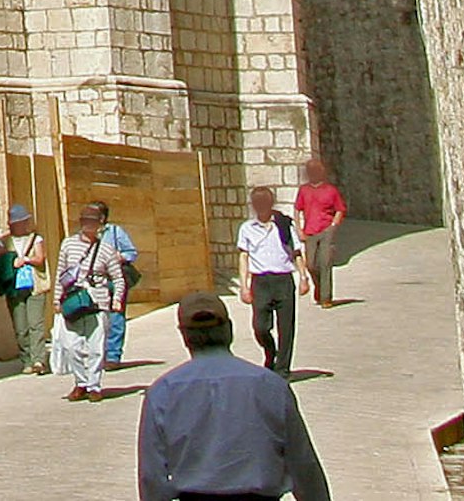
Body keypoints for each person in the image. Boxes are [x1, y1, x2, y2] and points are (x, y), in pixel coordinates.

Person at [137, 288, 331, 501]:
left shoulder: (163, 391)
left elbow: (152, 475)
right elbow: (302, 463)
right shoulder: (269, 385)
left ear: (184, 335)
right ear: (229, 329)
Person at [49, 206, 126, 399]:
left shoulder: (107, 250)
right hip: (73, 300)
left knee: (96, 346)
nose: (89, 225)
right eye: (86, 221)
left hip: (97, 302)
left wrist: (116, 300)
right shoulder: (68, 245)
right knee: (72, 346)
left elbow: (118, 278)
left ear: (100, 225)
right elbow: (61, 274)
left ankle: (94, 386)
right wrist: (57, 299)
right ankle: (80, 382)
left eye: (93, 222)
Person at [235, 184, 300, 374]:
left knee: (286, 328)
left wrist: (303, 276)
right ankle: (271, 353)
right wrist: (244, 286)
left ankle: (282, 370)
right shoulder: (247, 228)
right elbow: (243, 256)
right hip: (260, 281)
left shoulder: (284, 225)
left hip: (283, 279)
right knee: (260, 326)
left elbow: (296, 252)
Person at [0, 205, 48, 373]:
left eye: (23, 222)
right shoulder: (5, 241)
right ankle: (27, 359)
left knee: (36, 324)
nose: (20, 225)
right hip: (14, 287)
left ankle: (39, 360)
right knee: (20, 327)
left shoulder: (35, 238)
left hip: (35, 285)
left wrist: (26, 260)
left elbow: (40, 259)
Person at [95, 201, 145, 367]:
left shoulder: (115, 232)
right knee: (97, 319)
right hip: (95, 282)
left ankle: (113, 357)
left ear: (102, 217)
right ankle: (98, 355)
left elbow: (131, 253)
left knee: (116, 317)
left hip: (115, 279)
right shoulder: (85, 234)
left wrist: (119, 256)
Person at [293, 160, 348, 308]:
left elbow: (340, 209)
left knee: (325, 263)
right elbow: (297, 209)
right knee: (310, 264)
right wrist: (298, 229)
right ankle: (319, 287)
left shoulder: (331, 190)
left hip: (326, 230)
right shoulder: (304, 190)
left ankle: (326, 298)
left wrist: (333, 225)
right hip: (310, 231)